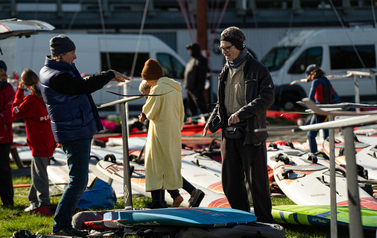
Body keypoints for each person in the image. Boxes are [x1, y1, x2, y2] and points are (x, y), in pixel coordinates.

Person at [39, 35, 128, 237]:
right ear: (61, 55)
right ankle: (61, 225)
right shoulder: (57, 75)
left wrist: (104, 76)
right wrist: (108, 74)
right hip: (75, 131)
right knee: (78, 181)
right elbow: (82, 87)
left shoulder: (57, 69)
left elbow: (80, 84)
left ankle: (62, 223)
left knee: (77, 180)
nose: (75, 56)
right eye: (72, 53)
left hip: (74, 129)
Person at [203, 26, 274, 223]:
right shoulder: (225, 70)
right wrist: (212, 120)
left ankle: (265, 222)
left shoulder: (258, 69)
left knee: (257, 183)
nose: (223, 52)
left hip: (251, 133)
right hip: (229, 134)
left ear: (240, 46)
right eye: (221, 48)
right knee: (230, 182)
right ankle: (243, 219)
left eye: (227, 48)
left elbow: (267, 98)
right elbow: (221, 102)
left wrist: (241, 115)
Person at [138, 80, 204, 208]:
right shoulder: (174, 91)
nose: (145, 98)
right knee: (166, 167)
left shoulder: (157, 93)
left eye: (144, 94)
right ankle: (177, 196)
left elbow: (156, 120)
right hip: (173, 134)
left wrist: (144, 120)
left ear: (149, 89)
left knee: (156, 167)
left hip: (161, 136)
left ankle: (162, 201)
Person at [139, 59, 185, 208]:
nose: (148, 84)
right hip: (173, 131)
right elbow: (181, 113)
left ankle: (157, 202)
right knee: (168, 164)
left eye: (147, 80)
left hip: (160, 130)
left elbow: (149, 111)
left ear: (150, 77)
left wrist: (143, 116)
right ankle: (172, 197)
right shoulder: (175, 89)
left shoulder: (158, 89)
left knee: (155, 165)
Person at [12, 69, 57, 212]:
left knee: (40, 174)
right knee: (37, 171)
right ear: (38, 79)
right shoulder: (47, 95)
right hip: (49, 139)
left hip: (38, 142)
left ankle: (44, 202)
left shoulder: (30, 100)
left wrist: (19, 92)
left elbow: (14, 112)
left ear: (25, 84)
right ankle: (33, 199)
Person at [305, 64, 336, 153]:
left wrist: (310, 105)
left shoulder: (315, 81)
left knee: (311, 135)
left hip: (320, 111)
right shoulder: (328, 82)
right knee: (327, 136)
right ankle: (330, 155)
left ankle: (313, 155)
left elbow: (310, 98)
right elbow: (333, 97)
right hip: (329, 111)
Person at [0, 60, 15, 208]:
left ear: (2, 72)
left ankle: (8, 202)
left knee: (3, 170)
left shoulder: (8, 90)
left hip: (2, 138)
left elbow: (9, 115)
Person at [184, 43, 208, 117]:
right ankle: (194, 123)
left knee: (201, 106)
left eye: (190, 50)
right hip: (189, 88)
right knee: (191, 107)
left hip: (196, 89)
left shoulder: (201, 60)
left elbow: (202, 76)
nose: (189, 51)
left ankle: (207, 121)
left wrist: (199, 89)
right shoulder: (191, 60)